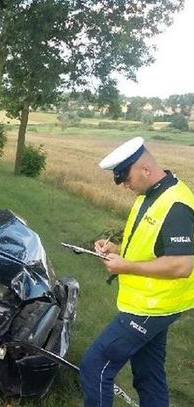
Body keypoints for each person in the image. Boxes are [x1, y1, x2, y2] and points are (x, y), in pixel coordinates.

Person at [80, 137, 194, 407]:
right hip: (152, 304)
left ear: (145, 169)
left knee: (95, 365)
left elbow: (182, 265)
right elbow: (152, 246)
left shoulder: (176, 205)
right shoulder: (151, 194)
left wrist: (126, 266)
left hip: (151, 307)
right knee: (148, 374)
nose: (125, 186)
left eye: (126, 178)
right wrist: (117, 250)